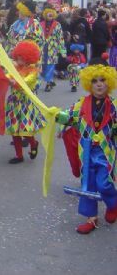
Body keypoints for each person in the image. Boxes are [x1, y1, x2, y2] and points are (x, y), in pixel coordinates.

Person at [56, 60, 117, 234]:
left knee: (104, 183)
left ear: (109, 83)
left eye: (103, 80)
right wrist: (58, 120)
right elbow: (69, 116)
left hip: (105, 152)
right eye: (95, 81)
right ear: (89, 83)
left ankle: (113, 204)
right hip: (86, 151)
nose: (99, 84)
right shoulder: (81, 103)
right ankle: (91, 218)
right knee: (87, 184)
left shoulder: (114, 106)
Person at [5, 40, 46, 164]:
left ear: (28, 58)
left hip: (25, 103)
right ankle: (19, 155)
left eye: (21, 58)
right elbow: (8, 76)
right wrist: (1, 77)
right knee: (14, 130)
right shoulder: (15, 68)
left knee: (25, 129)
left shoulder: (33, 71)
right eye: (17, 57)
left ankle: (33, 144)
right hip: (14, 103)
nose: (19, 60)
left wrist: (15, 82)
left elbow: (26, 82)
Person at [40, 7, 66, 92]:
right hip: (43, 48)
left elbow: (60, 38)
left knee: (50, 66)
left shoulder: (57, 24)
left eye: (51, 13)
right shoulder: (40, 24)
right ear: (45, 14)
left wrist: (62, 50)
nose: (50, 14)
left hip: (53, 48)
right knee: (43, 66)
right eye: (48, 12)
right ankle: (49, 80)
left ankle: (48, 83)